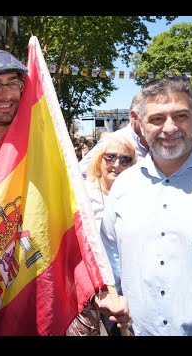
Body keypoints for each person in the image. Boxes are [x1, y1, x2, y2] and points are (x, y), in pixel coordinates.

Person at [0, 48, 132, 333]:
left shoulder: (49, 152)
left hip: (36, 300)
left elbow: (74, 227)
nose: (6, 94)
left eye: (13, 83)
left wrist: (99, 288)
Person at [100, 76, 192, 336]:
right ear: (138, 122)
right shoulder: (123, 187)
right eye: (156, 119)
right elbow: (110, 260)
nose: (169, 128)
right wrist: (107, 297)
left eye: (180, 116)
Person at [67, 134, 137, 336]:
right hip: (91, 290)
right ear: (99, 160)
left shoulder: (137, 195)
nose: (117, 163)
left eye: (125, 159)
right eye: (110, 157)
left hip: (125, 290)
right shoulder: (82, 194)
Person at [79, 91, 149, 179]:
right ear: (134, 116)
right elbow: (79, 176)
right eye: (156, 118)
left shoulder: (163, 144)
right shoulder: (112, 141)